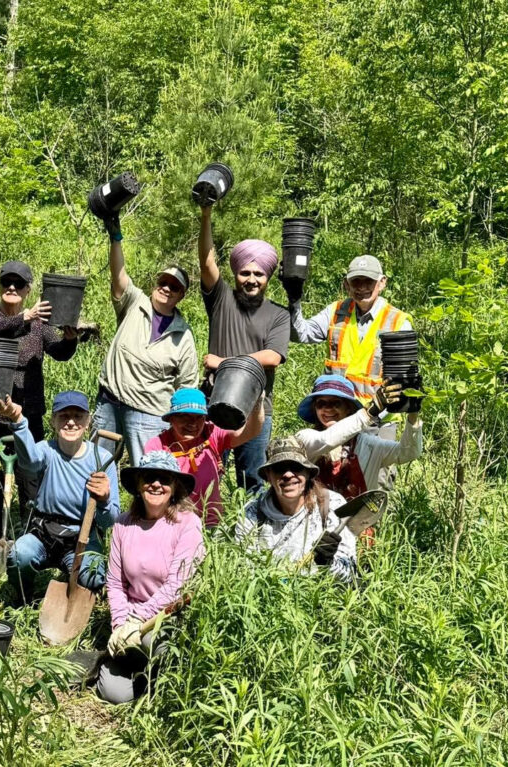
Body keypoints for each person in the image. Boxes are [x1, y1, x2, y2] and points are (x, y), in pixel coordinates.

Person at [0, 260, 79, 557]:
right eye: (7, 282)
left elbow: (59, 352)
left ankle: (31, 531)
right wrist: (24, 316)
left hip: (28, 411)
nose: (11, 287)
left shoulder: (39, 326)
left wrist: (70, 339)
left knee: (29, 474)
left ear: (28, 290)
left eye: (18, 284)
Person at [0, 391, 120, 604]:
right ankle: (23, 596)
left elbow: (109, 520)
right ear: (53, 421)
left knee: (92, 577)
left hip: (81, 538)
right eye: (64, 416)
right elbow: (29, 462)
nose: (71, 422)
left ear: (88, 422)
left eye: (78, 416)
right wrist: (18, 420)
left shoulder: (102, 460)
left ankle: (73, 586)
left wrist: (104, 500)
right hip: (44, 533)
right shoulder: (46, 451)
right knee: (19, 556)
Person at [97, 450, 205, 705]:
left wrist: (138, 621)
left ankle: (163, 681)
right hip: (129, 620)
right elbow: (115, 583)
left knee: (153, 642)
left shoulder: (187, 523)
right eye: (149, 478)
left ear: (174, 487)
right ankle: (134, 669)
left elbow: (177, 584)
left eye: (164, 479)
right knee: (114, 694)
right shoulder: (123, 524)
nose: (156, 484)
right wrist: (120, 625)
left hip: (167, 617)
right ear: (138, 485)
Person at [94, 212, 199, 465]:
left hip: (149, 413)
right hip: (109, 402)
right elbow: (119, 275)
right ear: (155, 284)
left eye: (174, 287)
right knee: (97, 468)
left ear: (181, 295)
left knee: (149, 470)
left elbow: (187, 385)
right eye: (163, 282)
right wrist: (116, 238)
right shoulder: (134, 302)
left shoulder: (183, 335)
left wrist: (182, 424)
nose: (166, 289)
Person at [198, 207, 290, 492]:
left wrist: (224, 362)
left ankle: (251, 523)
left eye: (259, 274)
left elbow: (272, 357)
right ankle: (205, 521)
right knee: (207, 476)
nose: (252, 279)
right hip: (214, 404)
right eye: (245, 273)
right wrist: (206, 213)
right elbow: (206, 262)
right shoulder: (222, 299)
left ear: (268, 277)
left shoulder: (278, 314)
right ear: (235, 274)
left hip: (256, 409)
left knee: (253, 482)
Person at [284, 255, 412, 404]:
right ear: (346, 284)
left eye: (368, 281)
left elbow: (402, 383)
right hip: (336, 410)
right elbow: (300, 334)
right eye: (356, 281)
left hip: (378, 414)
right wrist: (294, 299)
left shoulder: (398, 323)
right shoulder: (335, 311)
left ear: (382, 282)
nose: (362, 287)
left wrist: (373, 413)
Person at [235, 437, 357, 582]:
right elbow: (243, 571)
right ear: (268, 475)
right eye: (279, 468)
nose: (288, 475)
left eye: (296, 467)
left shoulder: (332, 505)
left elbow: (351, 573)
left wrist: (327, 563)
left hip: (321, 592)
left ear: (308, 473)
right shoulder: (252, 512)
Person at [144, 387, 265, 527]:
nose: (192, 423)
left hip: (211, 522)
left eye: (199, 417)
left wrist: (258, 403)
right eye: (184, 416)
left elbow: (249, 432)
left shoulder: (211, 434)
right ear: (171, 418)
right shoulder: (157, 446)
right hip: (172, 523)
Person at [293, 375, 423, 499]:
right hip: (315, 514)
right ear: (315, 409)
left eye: (335, 403)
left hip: (359, 515)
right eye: (321, 404)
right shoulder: (305, 438)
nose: (327, 409)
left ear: (348, 408)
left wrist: (413, 414)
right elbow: (327, 440)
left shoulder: (368, 445)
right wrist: (369, 412)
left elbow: (408, 452)